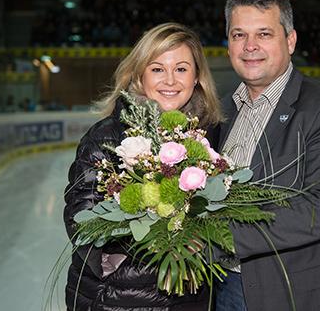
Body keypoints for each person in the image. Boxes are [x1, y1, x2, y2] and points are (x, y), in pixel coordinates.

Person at [215, 0, 320, 311]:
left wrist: (214, 236)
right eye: (239, 34)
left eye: (264, 34)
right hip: (224, 288)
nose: (250, 46)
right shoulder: (220, 113)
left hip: (299, 293)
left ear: (291, 40)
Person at [63, 23, 223, 311]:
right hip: (119, 300)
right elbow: (81, 221)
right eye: (158, 69)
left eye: (182, 69)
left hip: (190, 299)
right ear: (139, 76)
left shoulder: (209, 138)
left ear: (197, 76)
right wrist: (163, 240)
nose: (170, 80)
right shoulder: (105, 138)